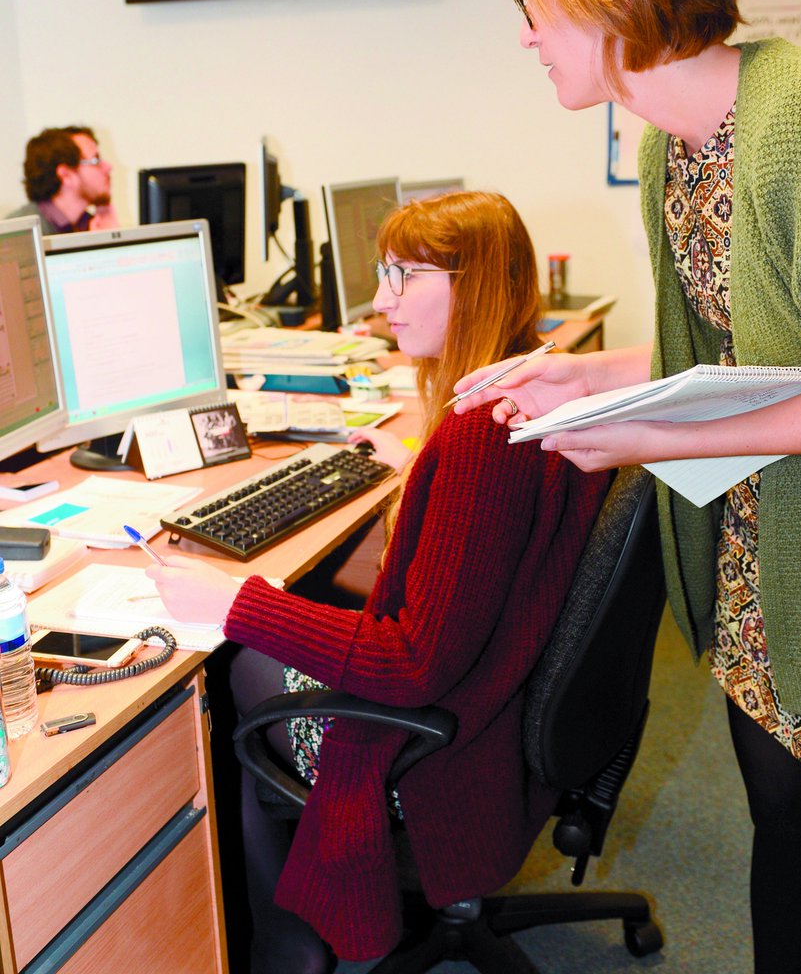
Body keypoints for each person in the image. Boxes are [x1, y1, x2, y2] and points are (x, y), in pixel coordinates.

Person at [453, 0, 801, 974]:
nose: (524, 32)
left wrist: (652, 433)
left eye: (535, 0)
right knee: (782, 837)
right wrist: (594, 377)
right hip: (765, 560)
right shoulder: (674, 142)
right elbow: (727, 348)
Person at [146, 191, 611, 968]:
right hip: (495, 712)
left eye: (405, 277)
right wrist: (421, 474)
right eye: (381, 275)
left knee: (234, 664)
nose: (381, 301)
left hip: (444, 749)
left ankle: (293, 948)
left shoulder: (480, 444)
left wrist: (235, 602)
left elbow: (411, 662)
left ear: (475, 285)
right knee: (296, 617)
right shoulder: (522, 396)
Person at [7, 125, 119, 234]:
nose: (108, 167)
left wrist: (111, 239)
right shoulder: (19, 233)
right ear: (65, 175)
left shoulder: (91, 225)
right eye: (95, 160)